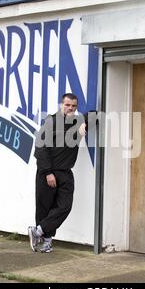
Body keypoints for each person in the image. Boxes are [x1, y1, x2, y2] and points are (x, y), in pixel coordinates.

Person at [28, 93, 90, 253]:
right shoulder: (51, 122)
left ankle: (38, 232)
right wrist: (48, 173)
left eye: (73, 106)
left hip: (66, 173)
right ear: (61, 105)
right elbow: (40, 149)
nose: (70, 108)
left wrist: (86, 123)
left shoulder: (77, 122)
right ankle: (46, 242)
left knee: (64, 207)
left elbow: (93, 114)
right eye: (67, 105)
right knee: (44, 208)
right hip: (47, 172)